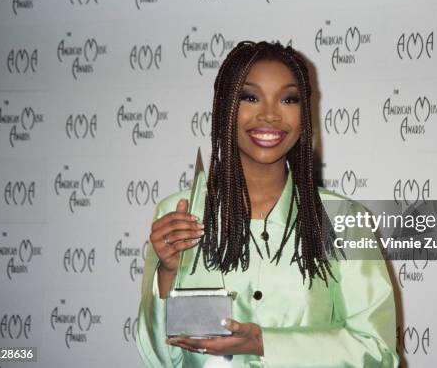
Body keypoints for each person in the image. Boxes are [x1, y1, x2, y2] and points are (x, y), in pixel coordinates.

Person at [136, 41, 399, 367]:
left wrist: (264, 343)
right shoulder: (180, 214)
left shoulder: (342, 219)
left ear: (305, 115)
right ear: (224, 108)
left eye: (288, 99)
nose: (270, 114)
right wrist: (169, 273)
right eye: (250, 97)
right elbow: (162, 360)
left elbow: (377, 352)